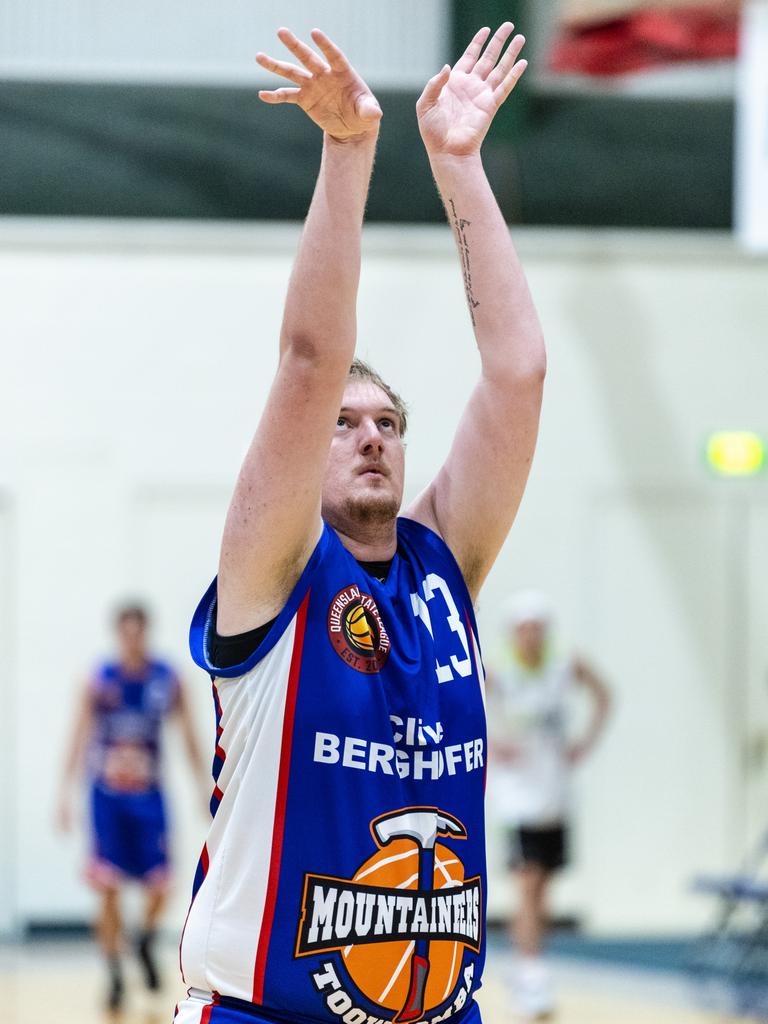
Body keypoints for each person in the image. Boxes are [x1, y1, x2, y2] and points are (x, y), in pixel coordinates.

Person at [176, 22, 545, 1024]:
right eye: (345, 424)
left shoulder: (441, 568)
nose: (370, 435)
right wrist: (349, 153)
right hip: (263, 1011)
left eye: (389, 422)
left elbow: (517, 374)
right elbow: (308, 359)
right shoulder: (272, 569)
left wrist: (458, 162)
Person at [57, 602, 207, 1013]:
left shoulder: (166, 679)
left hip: (149, 798)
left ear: (146, 633)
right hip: (107, 799)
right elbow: (78, 736)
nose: (132, 639)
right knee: (107, 887)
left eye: (138, 631)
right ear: (117, 635)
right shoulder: (99, 680)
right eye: (126, 632)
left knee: (162, 884)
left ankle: (142, 940)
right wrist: (64, 794)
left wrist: (202, 786)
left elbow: (189, 734)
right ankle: (114, 975)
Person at [488, 591, 611, 1020]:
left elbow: (604, 694)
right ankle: (531, 970)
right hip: (517, 799)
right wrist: (490, 746)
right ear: (513, 632)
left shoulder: (564, 667)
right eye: (525, 627)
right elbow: (455, 706)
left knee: (544, 889)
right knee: (527, 883)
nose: (532, 635)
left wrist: (584, 744)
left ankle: (528, 966)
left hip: (554, 796)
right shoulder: (500, 674)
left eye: (538, 626)